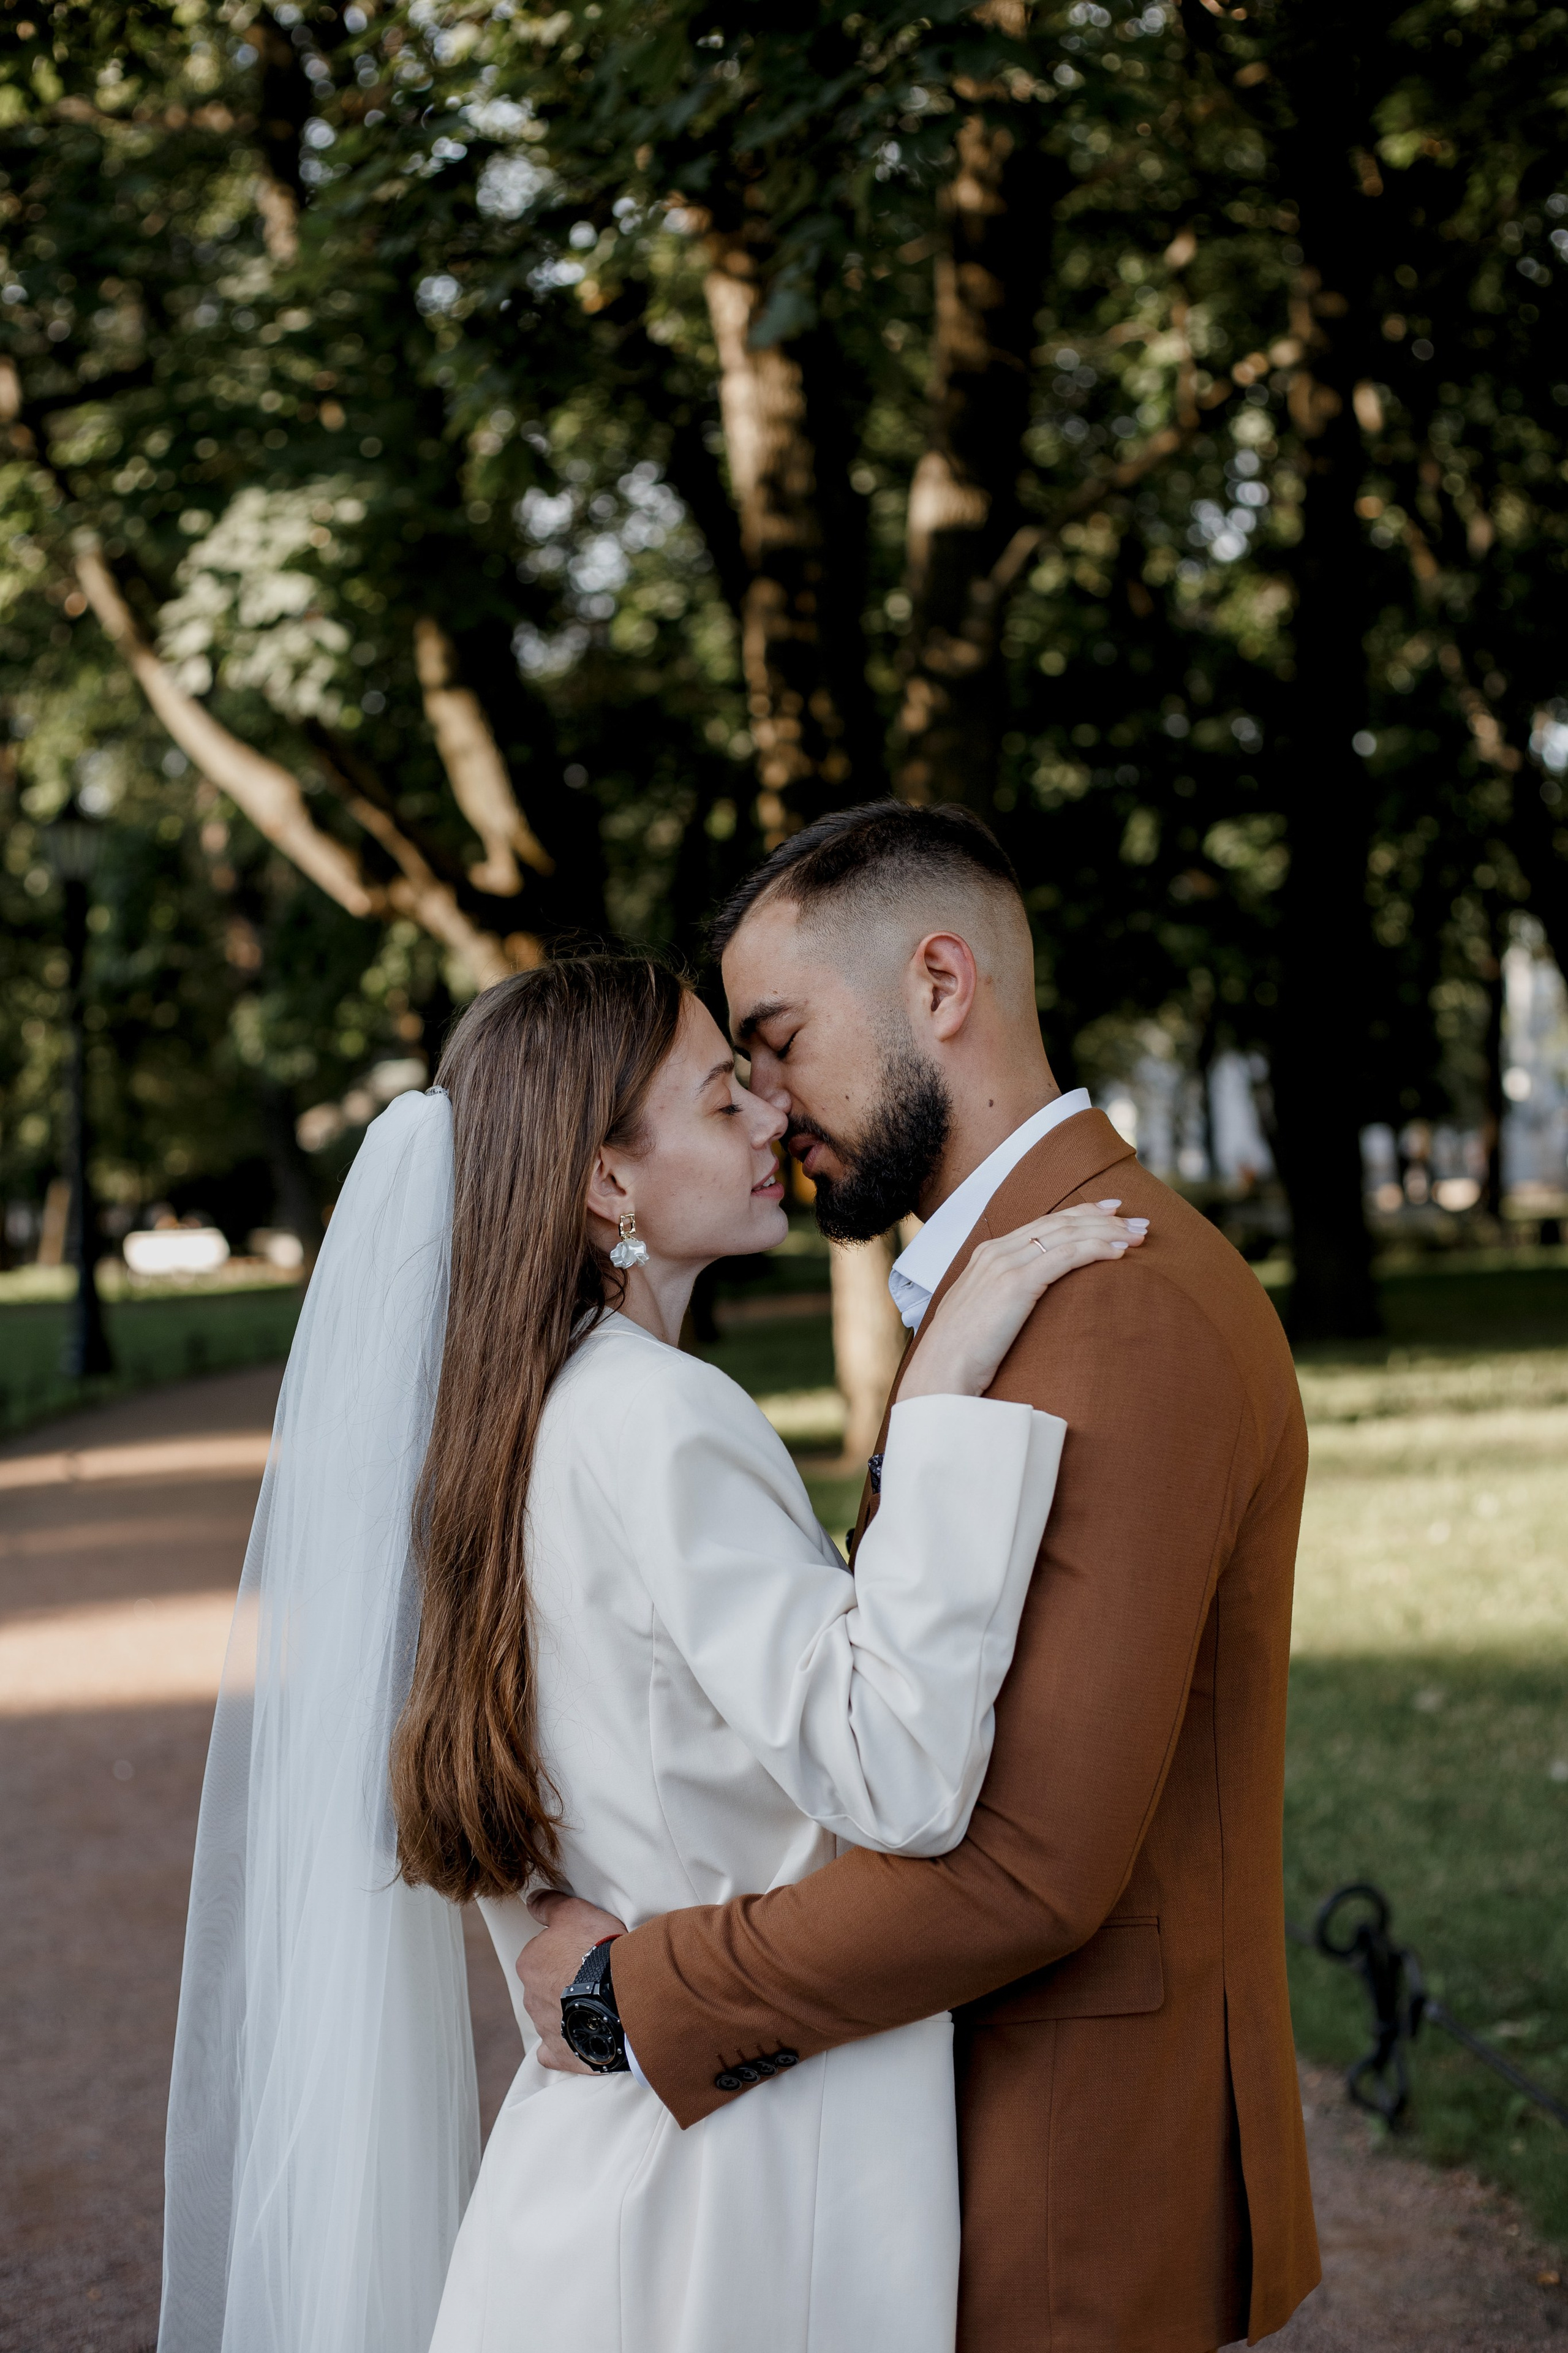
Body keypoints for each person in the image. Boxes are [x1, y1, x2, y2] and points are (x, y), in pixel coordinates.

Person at [157, 950, 1145, 2353]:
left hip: (592, 2170)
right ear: (607, 1183)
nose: (769, 1120)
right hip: (738, 2194)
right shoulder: (659, 1418)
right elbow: (899, 1775)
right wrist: (932, 1420)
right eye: (717, 1097)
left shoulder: (508, 1426)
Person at [520, 804, 1322, 2353]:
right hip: (963, 2146)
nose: (762, 1103)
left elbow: (1025, 1866)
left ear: (937, 987)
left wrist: (638, 1990)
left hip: (1064, 2180)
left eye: (778, 1039)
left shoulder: (1114, 1306)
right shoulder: (1021, 1281)